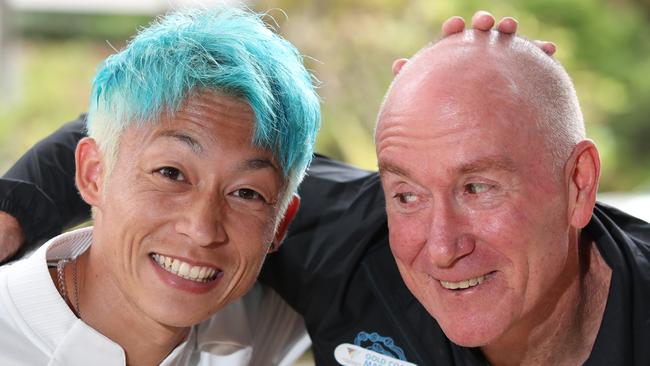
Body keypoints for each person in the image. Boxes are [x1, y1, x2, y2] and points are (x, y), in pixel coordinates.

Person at [4, 11, 647, 366]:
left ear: (579, 185)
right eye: (407, 194)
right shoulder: (351, 241)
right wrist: (14, 210)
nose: (443, 246)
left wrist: (516, 106)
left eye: (480, 186)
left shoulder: (253, 298)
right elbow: (161, 138)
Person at [0, 7, 322, 365]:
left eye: (247, 193)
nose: (202, 230)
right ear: (93, 174)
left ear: (280, 223)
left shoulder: (259, 323)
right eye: (171, 173)